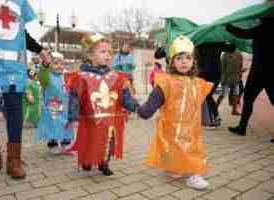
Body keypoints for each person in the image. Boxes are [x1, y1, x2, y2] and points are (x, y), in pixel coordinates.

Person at [0, 0, 51, 179]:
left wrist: (40, 50)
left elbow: (20, 33)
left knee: (15, 108)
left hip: (14, 63)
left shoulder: (20, 2)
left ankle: (14, 160)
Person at [135, 36, 213, 190]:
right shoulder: (166, 82)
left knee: (192, 150)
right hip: (171, 128)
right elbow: (153, 102)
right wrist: (142, 111)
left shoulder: (197, 83)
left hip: (191, 129)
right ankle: (174, 167)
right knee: (173, 154)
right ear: (172, 62)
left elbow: (202, 102)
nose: (184, 62)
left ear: (193, 61)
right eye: (179, 58)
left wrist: (205, 119)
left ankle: (193, 174)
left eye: (188, 58)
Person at [65, 35, 136, 176]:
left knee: (108, 140)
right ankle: (87, 160)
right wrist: (73, 117)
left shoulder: (116, 76)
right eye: (103, 52)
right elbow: (75, 98)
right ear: (91, 55)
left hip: (110, 118)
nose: (108, 55)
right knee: (89, 140)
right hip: (89, 118)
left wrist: (134, 106)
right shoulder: (81, 77)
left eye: (109, 52)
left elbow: (124, 94)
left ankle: (104, 163)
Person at [226, 17, 274, 140]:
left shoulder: (266, 25)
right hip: (267, 71)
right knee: (249, 98)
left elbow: (245, 34)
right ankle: (241, 127)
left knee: (248, 99)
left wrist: (228, 26)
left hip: (260, 71)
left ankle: (242, 127)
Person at [36, 52, 74, 154]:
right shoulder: (47, 76)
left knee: (66, 125)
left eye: (62, 64)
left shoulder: (65, 76)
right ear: (50, 64)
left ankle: (66, 144)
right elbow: (41, 75)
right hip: (52, 107)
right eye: (56, 63)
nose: (59, 66)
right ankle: (53, 144)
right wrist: (44, 65)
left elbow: (72, 88)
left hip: (65, 107)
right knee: (52, 125)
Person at [196, 42, 234, 128]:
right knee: (206, 95)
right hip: (214, 72)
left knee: (206, 95)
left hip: (205, 72)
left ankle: (213, 118)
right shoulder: (217, 43)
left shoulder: (200, 42)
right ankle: (211, 117)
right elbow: (231, 48)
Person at [216, 45, 243, 115]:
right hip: (227, 78)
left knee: (236, 95)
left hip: (235, 77)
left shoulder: (239, 54)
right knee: (223, 95)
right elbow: (222, 69)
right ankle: (215, 109)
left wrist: (240, 73)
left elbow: (240, 65)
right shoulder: (225, 55)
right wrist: (222, 79)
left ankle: (234, 110)